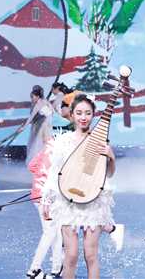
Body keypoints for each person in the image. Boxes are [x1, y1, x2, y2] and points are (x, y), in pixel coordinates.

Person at [41, 94, 123, 278]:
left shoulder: (99, 141)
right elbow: (55, 172)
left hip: (93, 202)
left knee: (91, 255)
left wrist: (111, 156)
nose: (83, 117)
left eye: (87, 113)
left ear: (93, 115)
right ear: (71, 115)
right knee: (70, 255)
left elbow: (108, 174)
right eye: (79, 113)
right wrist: (47, 198)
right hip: (67, 201)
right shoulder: (63, 141)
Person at [26, 137, 64, 278]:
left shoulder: (45, 149)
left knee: (55, 232)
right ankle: (34, 269)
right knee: (50, 232)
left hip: (37, 195)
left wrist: (40, 179)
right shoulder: (61, 152)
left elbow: (32, 166)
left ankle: (57, 268)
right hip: (47, 198)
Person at [18, 85, 54, 164]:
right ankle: (43, 160)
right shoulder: (44, 101)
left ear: (37, 96)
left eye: (33, 97)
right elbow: (51, 112)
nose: (32, 99)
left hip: (44, 124)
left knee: (40, 142)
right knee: (43, 142)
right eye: (31, 97)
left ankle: (40, 161)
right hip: (45, 123)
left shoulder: (39, 104)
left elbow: (31, 117)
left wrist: (23, 128)